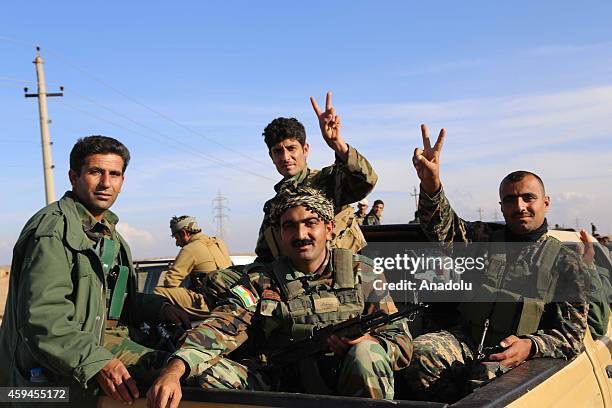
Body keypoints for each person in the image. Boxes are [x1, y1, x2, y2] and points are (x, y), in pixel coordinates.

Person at [147, 186, 412, 408]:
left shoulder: (362, 272)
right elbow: (221, 326)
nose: (301, 235)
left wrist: (364, 343)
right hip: (278, 388)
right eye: (290, 226)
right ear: (280, 234)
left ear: (329, 227)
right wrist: (175, 369)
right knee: (199, 369)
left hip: (347, 387)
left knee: (367, 353)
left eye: (311, 224)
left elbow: (401, 343)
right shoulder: (261, 281)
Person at [402, 124, 589, 402]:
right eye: (510, 200)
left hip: (517, 355)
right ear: (501, 207)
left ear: (546, 202)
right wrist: (432, 184)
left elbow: (572, 336)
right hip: (467, 340)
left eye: (529, 197)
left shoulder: (566, 263)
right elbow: (444, 229)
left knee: (488, 385)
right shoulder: (484, 239)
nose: (520, 206)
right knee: (421, 352)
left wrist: (531, 345)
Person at [0, 135, 190, 405]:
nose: (106, 183)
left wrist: (159, 308)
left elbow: (116, 303)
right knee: (174, 371)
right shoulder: (54, 231)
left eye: (114, 174)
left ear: (122, 181)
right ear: (73, 176)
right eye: (95, 172)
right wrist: (98, 362)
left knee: (184, 361)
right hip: (42, 388)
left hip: (91, 350)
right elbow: (44, 320)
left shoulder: (109, 237)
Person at [254, 91, 377, 262]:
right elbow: (266, 256)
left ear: (305, 150)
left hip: (342, 278)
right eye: (278, 151)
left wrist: (338, 145)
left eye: (291, 148)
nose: (285, 157)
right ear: (271, 157)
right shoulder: (274, 206)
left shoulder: (328, 182)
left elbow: (366, 181)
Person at [154, 215, 232, 318]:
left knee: (158, 291)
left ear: (184, 233)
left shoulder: (190, 249)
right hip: (231, 298)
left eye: (177, 238)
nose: (177, 243)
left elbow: (170, 282)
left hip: (209, 303)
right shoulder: (218, 242)